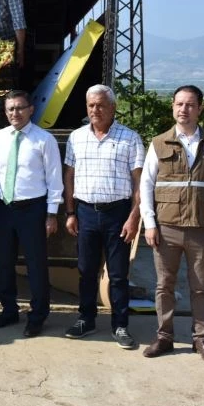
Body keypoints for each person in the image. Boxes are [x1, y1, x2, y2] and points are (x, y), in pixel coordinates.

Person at [140, 85, 204, 365]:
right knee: (164, 285)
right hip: (166, 226)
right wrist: (149, 223)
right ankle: (164, 337)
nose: (184, 109)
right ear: (173, 107)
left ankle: (201, 339)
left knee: (200, 287)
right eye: (179, 104)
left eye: (190, 105)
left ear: (200, 108)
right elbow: (146, 185)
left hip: (200, 228)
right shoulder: (159, 143)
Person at [62, 85, 145, 349]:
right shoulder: (76, 137)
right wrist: (71, 212)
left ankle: (120, 326)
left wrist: (134, 218)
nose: (95, 110)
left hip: (118, 214)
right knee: (86, 271)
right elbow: (69, 177)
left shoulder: (130, 138)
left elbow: (139, 183)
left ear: (113, 107)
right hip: (85, 212)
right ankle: (86, 319)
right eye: (90, 105)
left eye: (100, 105)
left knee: (118, 274)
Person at [0, 90, 63, 337]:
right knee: (5, 263)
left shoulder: (44, 139)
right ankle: (9, 310)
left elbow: (54, 179)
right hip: (4, 207)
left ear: (31, 109)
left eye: (19, 108)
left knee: (36, 264)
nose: (14, 113)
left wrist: (51, 214)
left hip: (33, 209)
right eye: (10, 109)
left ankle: (37, 316)